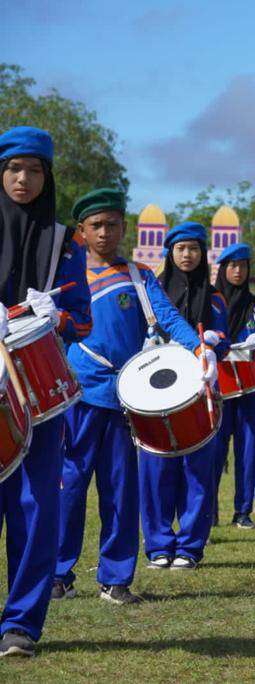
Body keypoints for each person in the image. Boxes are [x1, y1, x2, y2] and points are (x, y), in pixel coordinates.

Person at [53, 189, 215, 608]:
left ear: (123, 227)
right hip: (77, 395)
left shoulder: (140, 276)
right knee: (68, 486)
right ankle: (57, 574)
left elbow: (169, 319)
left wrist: (199, 350)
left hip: (125, 400)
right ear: (82, 232)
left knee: (121, 492)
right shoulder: (64, 278)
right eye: (96, 226)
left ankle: (116, 577)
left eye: (112, 224)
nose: (105, 233)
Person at [0, 126, 91, 658]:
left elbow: (84, 317)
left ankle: (21, 624)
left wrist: (55, 316)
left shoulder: (67, 241)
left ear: (46, 177)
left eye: (34, 170)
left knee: (36, 505)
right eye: (14, 168)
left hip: (40, 393)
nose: (23, 179)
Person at [139, 222, 229, 572]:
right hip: (156, 390)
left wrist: (218, 344)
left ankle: (190, 546)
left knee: (198, 469)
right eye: (180, 249)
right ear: (170, 254)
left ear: (202, 254)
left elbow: (224, 343)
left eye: (193, 249)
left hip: (200, 390)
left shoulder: (215, 296)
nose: (187, 255)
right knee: (156, 466)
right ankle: (159, 544)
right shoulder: (152, 291)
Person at [210, 243, 255, 527]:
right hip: (218, 385)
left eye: (243, 266)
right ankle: (208, 509)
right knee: (213, 449)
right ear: (223, 269)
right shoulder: (212, 301)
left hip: (249, 386)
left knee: (248, 449)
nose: (238, 272)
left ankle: (243, 511)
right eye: (232, 266)